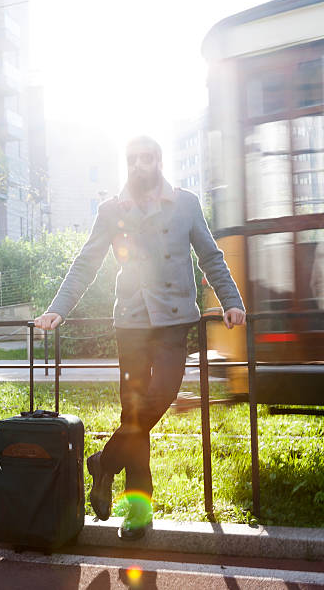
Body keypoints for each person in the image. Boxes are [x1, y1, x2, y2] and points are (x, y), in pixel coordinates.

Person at [34, 135, 246, 540]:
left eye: (147, 158)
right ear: (126, 164)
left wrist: (231, 299)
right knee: (134, 416)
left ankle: (104, 462)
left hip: (173, 322)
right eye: (133, 159)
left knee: (159, 396)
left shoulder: (185, 203)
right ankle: (138, 511)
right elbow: (87, 262)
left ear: (159, 162)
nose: (140, 165)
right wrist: (58, 308)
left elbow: (210, 255)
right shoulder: (112, 210)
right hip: (129, 322)